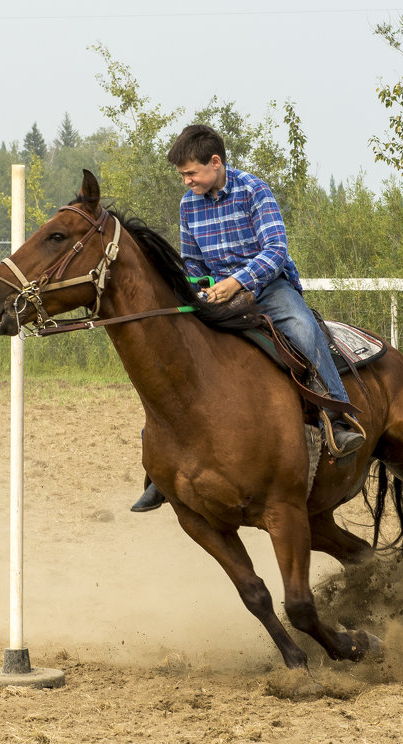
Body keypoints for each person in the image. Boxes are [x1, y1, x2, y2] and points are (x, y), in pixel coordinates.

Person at [132, 124, 365, 512]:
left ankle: (339, 420)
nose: (187, 181)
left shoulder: (253, 190)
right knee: (175, 351)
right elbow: (191, 259)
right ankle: (161, 465)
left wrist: (237, 282)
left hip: (269, 289)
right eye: (183, 176)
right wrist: (200, 287)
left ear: (216, 162)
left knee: (305, 331)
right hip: (217, 295)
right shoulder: (188, 204)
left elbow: (275, 250)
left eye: (191, 173)